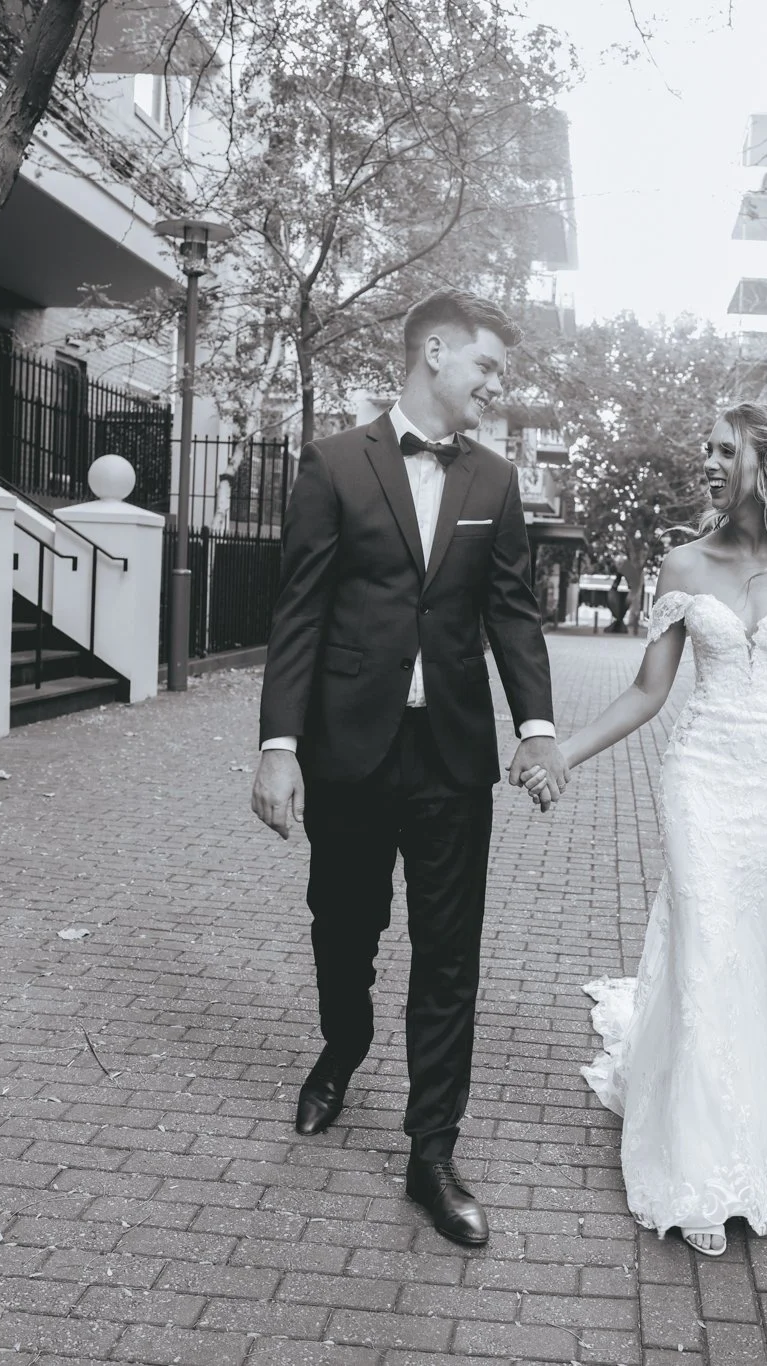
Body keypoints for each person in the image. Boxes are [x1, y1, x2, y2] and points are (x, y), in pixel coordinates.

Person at [523, 401, 767, 1256]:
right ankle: (698, 1159)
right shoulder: (684, 562)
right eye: (707, 449)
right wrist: (563, 751)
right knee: (706, 943)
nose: (710, 461)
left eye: (726, 449)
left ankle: (747, 1123)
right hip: (703, 781)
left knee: (758, 961)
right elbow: (649, 692)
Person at [252, 288, 568, 1248]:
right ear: (435, 353)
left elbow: (511, 612)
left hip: (450, 757)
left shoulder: (496, 480)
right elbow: (298, 613)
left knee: (449, 955)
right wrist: (278, 747)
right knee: (343, 928)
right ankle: (343, 1046)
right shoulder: (335, 464)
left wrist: (540, 725)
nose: (493, 386)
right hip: (350, 747)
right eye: (486, 368)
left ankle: (433, 1150)